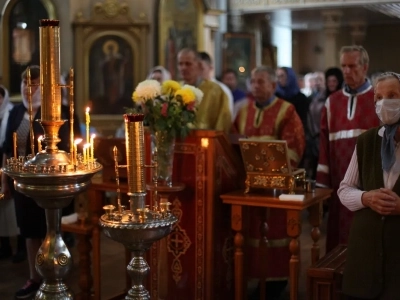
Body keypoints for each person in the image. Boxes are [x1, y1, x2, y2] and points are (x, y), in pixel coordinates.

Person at [1, 66, 81, 299]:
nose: (29, 88)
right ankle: (34, 278)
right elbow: (8, 148)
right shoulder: (16, 112)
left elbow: (69, 150)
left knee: (51, 230)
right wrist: (4, 181)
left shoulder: (60, 112)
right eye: (26, 83)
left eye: (35, 84)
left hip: (51, 183)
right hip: (22, 182)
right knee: (29, 231)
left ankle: (56, 277)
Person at [233, 66, 305, 299]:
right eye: (253, 81)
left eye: (261, 82)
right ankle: (255, 279)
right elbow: (232, 141)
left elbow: (294, 147)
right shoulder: (243, 111)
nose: (255, 86)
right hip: (249, 188)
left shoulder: (286, 110)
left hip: (276, 189)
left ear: (273, 85)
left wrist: (271, 168)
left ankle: (277, 282)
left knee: (275, 235)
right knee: (251, 234)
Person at [337, 72, 400, 299]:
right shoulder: (367, 140)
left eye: (392, 95)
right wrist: (366, 198)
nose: (384, 103)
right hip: (365, 253)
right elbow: (345, 189)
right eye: (378, 97)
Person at [316, 45, 380, 253]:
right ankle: (338, 284)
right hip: (339, 184)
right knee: (339, 241)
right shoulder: (332, 102)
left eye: (352, 66)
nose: (346, 71)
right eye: (343, 66)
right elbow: (324, 144)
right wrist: (323, 185)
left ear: (365, 67)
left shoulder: (378, 99)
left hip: (371, 185)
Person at [0, 85, 26, 263]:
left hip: (19, 167)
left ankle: (22, 247)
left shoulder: (13, 112)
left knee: (17, 211)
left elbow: (7, 145)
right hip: (8, 165)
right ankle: (5, 246)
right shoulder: (15, 113)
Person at [177, 48, 231, 133]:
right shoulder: (175, 90)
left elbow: (222, 124)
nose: (183, 68)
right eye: (180, 64)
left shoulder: (215, 91)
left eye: (188, 64)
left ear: (199, 66)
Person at [198, 51, 234, 121]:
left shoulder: (221, 90)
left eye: (201, 68)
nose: (198, 72)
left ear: (210, 68)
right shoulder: (191, 88)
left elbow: (226, 118)